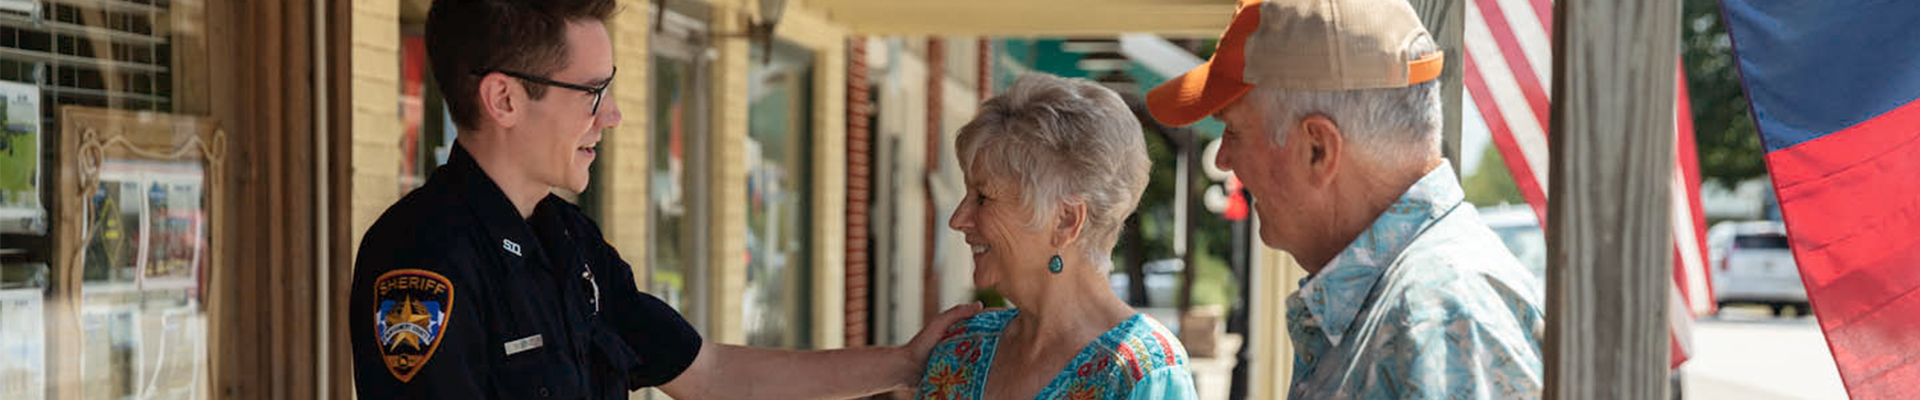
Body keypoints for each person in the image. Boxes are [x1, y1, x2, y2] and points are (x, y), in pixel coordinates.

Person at [347, 1, 979, 399]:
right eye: (592, 93)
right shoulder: (424, 261)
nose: (613, 116)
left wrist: (903, 364)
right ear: (505, 99)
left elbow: (707, 374)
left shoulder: (568, 239)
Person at [1145, 0, 1546, 398]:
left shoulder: (1438, 316)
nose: (1222, 158)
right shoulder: (1422, 306)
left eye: (1234, 131)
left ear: (1317, 149)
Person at [917, 74, 1197, 400]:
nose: (957, 220)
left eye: (982, 197)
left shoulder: (1142, 369)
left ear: (1065, 220)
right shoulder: (961, 351)